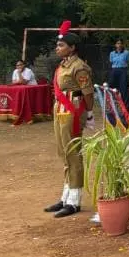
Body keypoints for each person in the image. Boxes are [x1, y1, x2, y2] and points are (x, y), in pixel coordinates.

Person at [44, 21, 96, 218]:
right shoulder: (63, 65)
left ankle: (75, 200)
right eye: (58, 45)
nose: (58, 48)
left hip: (73, 109)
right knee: (63, 151)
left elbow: (88, 93)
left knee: (73, 153)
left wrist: (89, 113)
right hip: (60, 108)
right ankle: (66, 196)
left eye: (62, 45)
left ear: (72, 47)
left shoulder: (79, 67)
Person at [108, 38, 129, 115]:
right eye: (117, 43)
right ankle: (112, 108)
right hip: (114, 70)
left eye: (120, 43)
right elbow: (111, 61)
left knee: (124, 89)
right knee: (112, 89)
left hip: (123, 71)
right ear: (115, 45)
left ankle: (125, 109)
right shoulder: (112, 53)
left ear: (122, 45)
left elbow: (127, 60)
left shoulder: (126, 53)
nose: (119, 45)